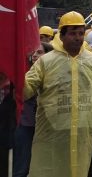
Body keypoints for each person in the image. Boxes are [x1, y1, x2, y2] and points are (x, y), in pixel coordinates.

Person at [24, 11, 92, 177]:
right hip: (52, 132)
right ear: (61, 36)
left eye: (81, 33)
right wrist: (15, 76)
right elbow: (27, 90)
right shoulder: (45, 61)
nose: (77, 38)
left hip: (83, 131)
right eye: (72, 33)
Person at [12, 41, 51, 177]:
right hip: (26, 124)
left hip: (48, 126)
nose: (34, 55)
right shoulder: (23, 72)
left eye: (39, 52)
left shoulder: (55, 74)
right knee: (22, 166)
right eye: (33, 52)